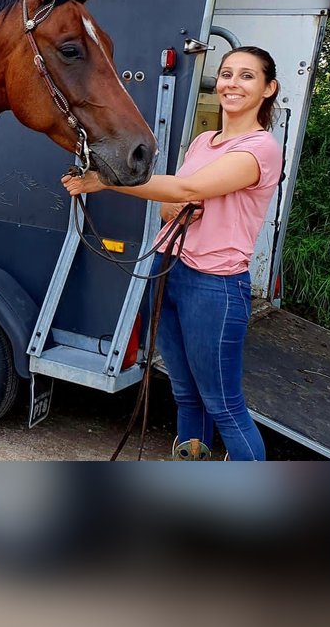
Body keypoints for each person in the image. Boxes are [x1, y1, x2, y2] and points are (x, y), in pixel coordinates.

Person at [61, 46, 283, 461]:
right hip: (169, 269)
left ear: (268, 88)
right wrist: (178, 200)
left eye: (246, 76)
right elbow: (168, 206)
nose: (232, 84)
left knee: (223, 404)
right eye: (227, 74)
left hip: (215, 286)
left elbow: (185, 190)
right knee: (186, 394)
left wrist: (108, 182)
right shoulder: (203, 142)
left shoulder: (262, 147)